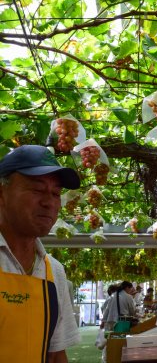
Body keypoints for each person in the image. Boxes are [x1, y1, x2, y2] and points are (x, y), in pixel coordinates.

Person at [0, 144, 81, 363]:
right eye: (37, 190)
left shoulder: (53, 271)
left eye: (55, 193)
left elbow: (56, 355)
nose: (49, 203)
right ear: (1, 193)